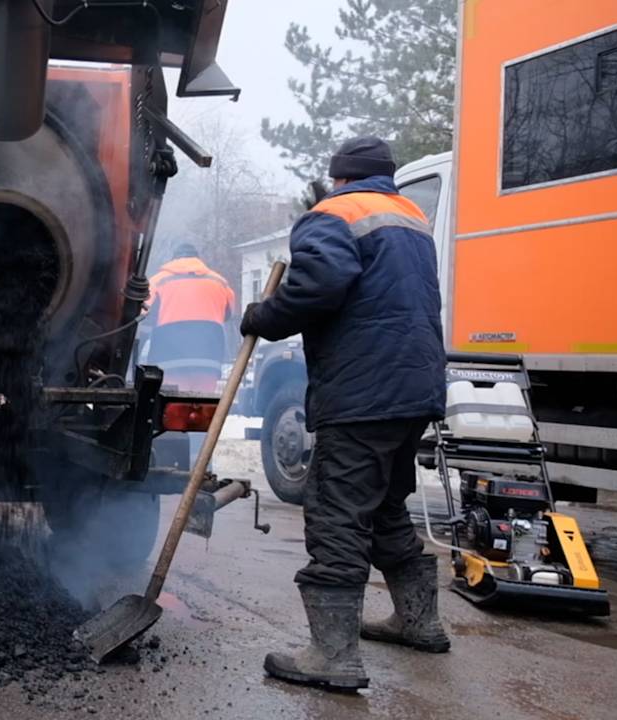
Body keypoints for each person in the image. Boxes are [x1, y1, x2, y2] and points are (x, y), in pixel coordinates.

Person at [241, 136, 449, 691]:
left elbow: (319, 285)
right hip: (416, 385)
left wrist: (263, 316)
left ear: (339, 178)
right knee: (384, 506)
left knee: (336, 510)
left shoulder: (333, 214)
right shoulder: (411, 217)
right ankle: (418, 620)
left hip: (364, 391)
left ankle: (332, 656)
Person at [143, 243, 236, 394]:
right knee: (201, 406)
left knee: (171, 404)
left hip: (168, 357)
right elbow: (228, 313)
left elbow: (144, 312)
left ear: (173, 259)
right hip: (209, 355)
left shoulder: (158, 281)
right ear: (198, 260)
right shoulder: (220, 282)